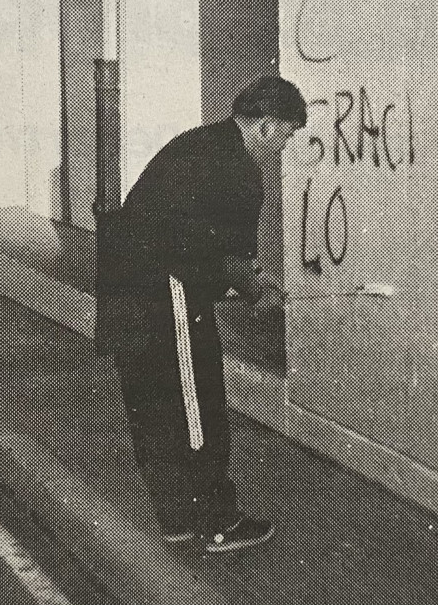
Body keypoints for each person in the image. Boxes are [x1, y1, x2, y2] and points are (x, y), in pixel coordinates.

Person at [97, 76, 306, 554]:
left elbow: (198, 239)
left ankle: (175, 517)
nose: (282, 150)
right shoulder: (238, 169)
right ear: (269, 126)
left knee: (154, 403)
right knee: (198, 405)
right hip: (164, 293)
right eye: (288, 135)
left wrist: (246, 283)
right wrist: (258, 291)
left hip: (124, 290)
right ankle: (215, 522)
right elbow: (232, 261)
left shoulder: (197, 143)